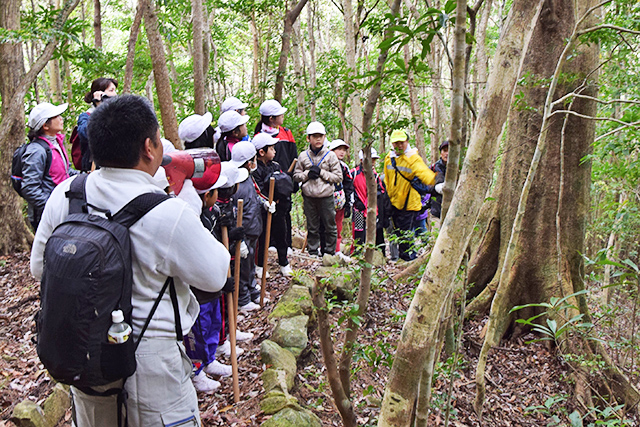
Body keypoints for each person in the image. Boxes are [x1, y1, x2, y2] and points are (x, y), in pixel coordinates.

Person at [30, 95, 230, 426]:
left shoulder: (67, 194)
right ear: (150, 147)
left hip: (88, 360)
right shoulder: (168, 212)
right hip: (152, 370)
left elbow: (40, 269)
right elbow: (215, 275)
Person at [229, 141, 271, 311]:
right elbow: (233, 210)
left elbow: (254, 197)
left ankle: (252, 290)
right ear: (249, 162)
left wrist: (264, 204)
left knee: (250, 266)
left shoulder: (248, 178)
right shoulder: (236, 182)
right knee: (242, 266)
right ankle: (243, 297)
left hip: (254, 229)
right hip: (243, 232)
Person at [383, 130, 435, 261]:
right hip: (394, 203)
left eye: (402, 142)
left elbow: (425, 174)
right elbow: (387, 181)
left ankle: (408, 259)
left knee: (407, 234)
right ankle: (405, 257)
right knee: (399, 233)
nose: (399, 145)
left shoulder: (412, 158)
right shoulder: (389, 158)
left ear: (407, 142)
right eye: (396, 143)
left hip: (409, 203)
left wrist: (437, 183)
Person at [23, 102, 76, 231]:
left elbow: (65, 172)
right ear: (45, 125)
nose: (61, 118)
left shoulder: (56, 143)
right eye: (56, 116)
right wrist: (50, 207)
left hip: (60, 208)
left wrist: (84, 176)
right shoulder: (36, 151)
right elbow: (29, 188)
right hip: (45, 215)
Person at [254, 99, 298, 253]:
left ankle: (287, 244)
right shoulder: (260, 135)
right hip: (266, 183)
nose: (283, 116)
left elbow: (293, 155)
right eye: (279, 114)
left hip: (284, 180)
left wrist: (293, 179)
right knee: (269, 211)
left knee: (285, 212)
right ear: (271, 118)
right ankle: (270, 243)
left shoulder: (287, 132)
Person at [293, 122, 342, 257]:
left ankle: (329, 253)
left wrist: (321, 173)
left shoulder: (331, 156)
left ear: (325, 137)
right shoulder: (303, 156)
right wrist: (307, 174)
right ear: (309, 138)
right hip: (309, 196)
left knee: (330, 226)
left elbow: (338, 177)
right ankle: (313, 251)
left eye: (321, 136)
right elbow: (296, 176)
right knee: (312, 226)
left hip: (326, 196)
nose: (318, 139)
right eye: (315, 136)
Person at [252, 133, 294, 277]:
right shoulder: (254, 169)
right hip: (263, 211)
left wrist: (280, 199)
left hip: (279, 209)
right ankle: (260, 266)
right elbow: (257, 189)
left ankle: (284, 263)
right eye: (271, 148)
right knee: (262, 239)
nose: (275, 151)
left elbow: (284, 185)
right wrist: (267, 202)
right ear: (261, 152)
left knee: (281, 236)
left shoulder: (276, 165)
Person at [351, 148, 390, 255]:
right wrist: (356, 201)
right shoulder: (353, 173)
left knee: (376, 231)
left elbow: (381, 191)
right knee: (359, 233)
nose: (372, 162)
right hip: (359, 209)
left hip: (373, 210)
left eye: (374, 159)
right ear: (361, 160)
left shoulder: (376, 175)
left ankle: (378, 255)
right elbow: (349, 188)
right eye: (370, 159)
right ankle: (358, 254)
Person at [76, 77, 118, 171]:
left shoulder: (116, 115)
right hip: (94, 169)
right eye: (111, 90)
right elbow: (86, 134)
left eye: (115, 90)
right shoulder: (86, 116)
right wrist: (100, 107)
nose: (115, 94)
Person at [327, 139, 354, 254]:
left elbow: (349, 186)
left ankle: (337, 250)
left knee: (338, 226)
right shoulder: (325, 164)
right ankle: (322, 249)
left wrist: (348, 204)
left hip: (339, 201)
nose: (342, 152)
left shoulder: (344, 167)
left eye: (344, 150)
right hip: (325, 199)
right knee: (324, 225)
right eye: (339, 149)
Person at [428, 140, 448, 229]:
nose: (447, 153)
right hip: (436, 210)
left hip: (452, 212)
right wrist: (436, 188)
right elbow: (426, 187)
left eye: (449, 151)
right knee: (435, 237)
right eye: (444, 151)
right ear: (441, 153)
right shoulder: (434, 168)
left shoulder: (459, 170)